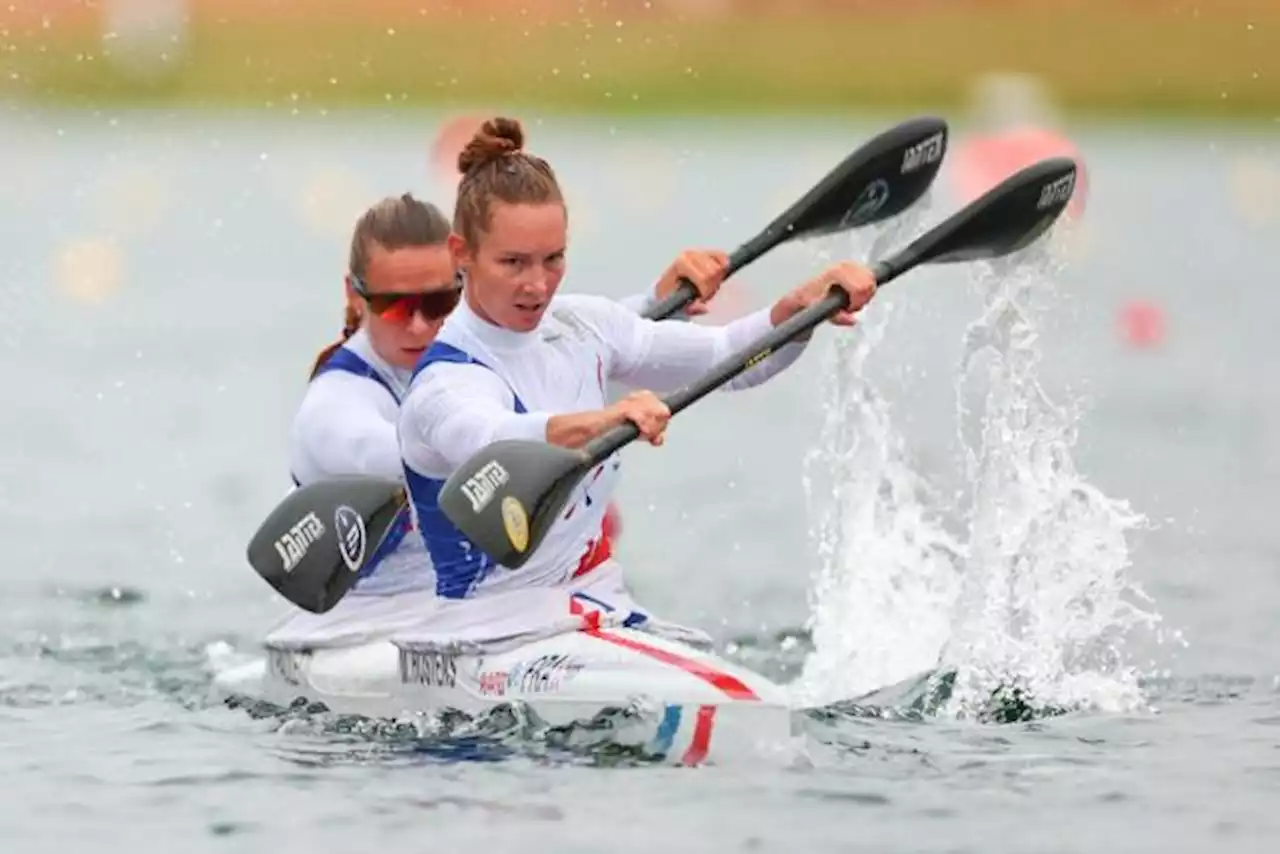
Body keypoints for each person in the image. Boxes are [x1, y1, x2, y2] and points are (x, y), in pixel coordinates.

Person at [394, 117, 877, 650]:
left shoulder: (584, 325)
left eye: (553, 259)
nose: (538, 284)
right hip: (484, 632)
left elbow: (729, 359)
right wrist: (607, 419)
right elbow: (493, 439)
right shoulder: (444, 382)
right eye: (513, 262)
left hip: (597, 607)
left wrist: (795, 312)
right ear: (461, 253)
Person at [265, 192, 739, 648]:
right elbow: (454, 445)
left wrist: (655, 309)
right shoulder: (334, 406)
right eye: (394, 305)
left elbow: (559, 369)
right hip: (366, 623)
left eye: (438, 304)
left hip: (485, 611)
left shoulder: (469, 367)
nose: (417, 326)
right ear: (354, 295)